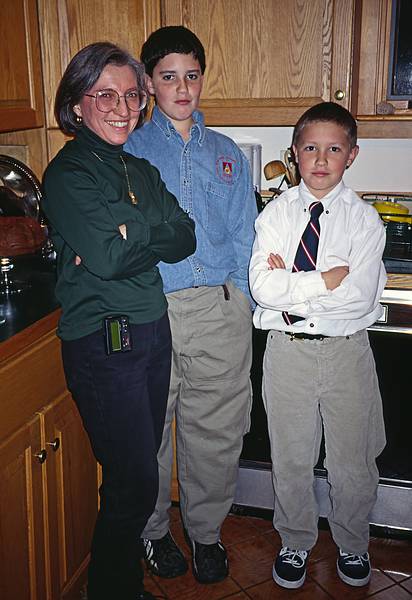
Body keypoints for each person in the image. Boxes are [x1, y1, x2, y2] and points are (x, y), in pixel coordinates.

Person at [41, 42, 196, 600]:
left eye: (131, 95)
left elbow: (185, 236)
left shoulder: (140, 167)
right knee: (133, 484)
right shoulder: (67, 174)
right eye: (105, 93)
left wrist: (130, 231)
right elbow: (106, 258)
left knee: (141, 475)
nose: (122, 107)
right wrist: (138, 232)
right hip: (106, 343)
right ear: (77, 104)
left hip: (153, 332)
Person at [125, 26, 257, 584]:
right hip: (151, 308)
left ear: (203, 78)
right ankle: (152, 533)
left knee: (216, 432)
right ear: (151, 83)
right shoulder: (127, 147)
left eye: (192, 75)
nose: (182, 88)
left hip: (217, 310)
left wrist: (242, 303)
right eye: (168, 76)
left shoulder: (226, 153)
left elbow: (246, 236)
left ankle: (206, 534)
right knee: (148, 431)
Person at [249, 102, 387, 590]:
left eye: (334, 148)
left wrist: (295, 286)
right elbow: (263, 289)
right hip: (287, 354)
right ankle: (295, 540)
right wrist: (325, 280)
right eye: (310, 148)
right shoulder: (276, 215)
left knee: (353, 458)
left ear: (351, 155)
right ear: (294, 153)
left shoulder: (365, 221)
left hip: (347, 352)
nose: (321, 158)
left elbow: (359, 299)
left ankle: (353, 543)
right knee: (291, 456)